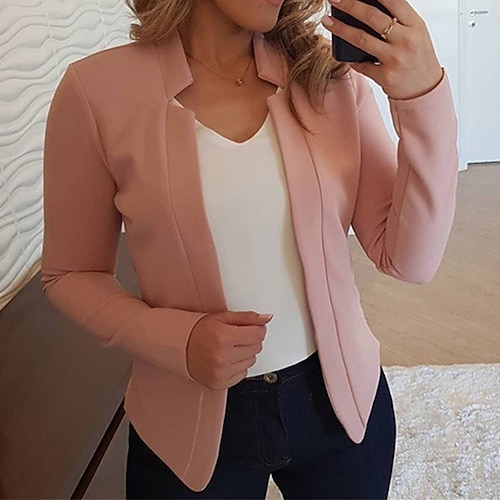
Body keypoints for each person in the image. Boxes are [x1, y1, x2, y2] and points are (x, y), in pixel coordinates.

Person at [41, 0, 458, 498]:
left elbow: (409, 260)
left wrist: (423, 97)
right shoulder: (97, 92)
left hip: (340, 407)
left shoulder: (329, 78)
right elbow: (71, 273)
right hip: (184, 422)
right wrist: (178, 340)